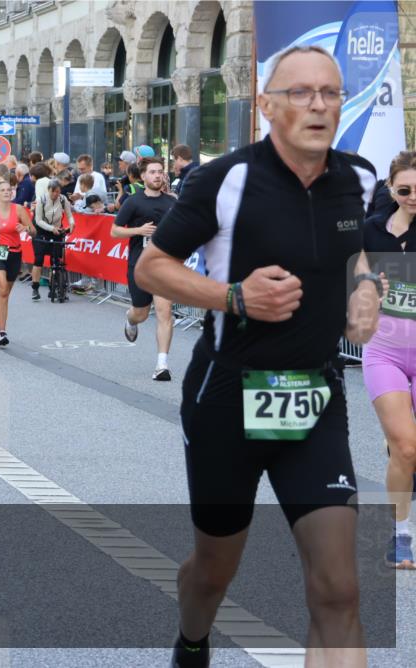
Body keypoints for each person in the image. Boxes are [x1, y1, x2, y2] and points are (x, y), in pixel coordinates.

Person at [135, 44, 379, 667]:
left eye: (330, 92)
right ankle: (192, 639)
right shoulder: (224, 179)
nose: (318, 104)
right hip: (227, 397)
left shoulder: (360, 178)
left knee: (338, 589)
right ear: (267, 105)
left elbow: (365, 260)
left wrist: (369, 291)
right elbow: (152, 266)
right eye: (301, 93)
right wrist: (234, 296)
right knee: (214, 571)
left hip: (314, 399)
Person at [361, 150, 416, 568]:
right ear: (391, 190)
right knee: (406, 448)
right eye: (405, 189)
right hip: (385, 349)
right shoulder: (370, 232)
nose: (414, 196)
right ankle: (401, 536)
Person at [111, 157, 177, 381]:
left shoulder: (172, 201)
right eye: (153, 172)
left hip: (165, 265)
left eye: (160, 172)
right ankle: (130, 319)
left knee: (165, 312)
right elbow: (115, 231)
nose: (157, 175)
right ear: (143, 176)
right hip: (140, 265)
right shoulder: (133, 202)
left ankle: (162, 365)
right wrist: (138, 231)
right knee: (142, 312)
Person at [0, 178, 33, 346]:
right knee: (2, 289)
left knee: (5, 293)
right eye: (3, 190)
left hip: (15, 254)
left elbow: (34, 231)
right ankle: (2, 332)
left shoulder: (19, 209)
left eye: (9, 189)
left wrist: (26, 229)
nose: (7, 192)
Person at [30, 179, 73, 302]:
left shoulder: (63, 199)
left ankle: (52, 286)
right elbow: (38, 220)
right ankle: (35, 288)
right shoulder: (41, 200)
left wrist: (72, 224)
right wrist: (51, 228)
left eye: (58, 192)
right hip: (41, 230)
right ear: (48, 190)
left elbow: (69, 215)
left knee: (55, 260)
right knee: (39, 259)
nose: (55, 194)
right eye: (53, 191)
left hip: (56, 230)